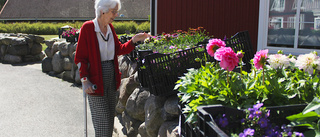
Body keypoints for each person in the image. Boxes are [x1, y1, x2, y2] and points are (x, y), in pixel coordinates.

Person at [74, 0, 151, 136]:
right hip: (95, 81)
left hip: (111, 79)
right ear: (103, 10)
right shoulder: (88, 28)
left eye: (116, 11)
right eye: (113, 11)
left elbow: (118, 49)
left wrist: (134, 40)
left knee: (109, 122)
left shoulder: (110, 28)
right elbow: (80, 58)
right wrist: (85, 80)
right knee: (102, 124)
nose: (115, 15)